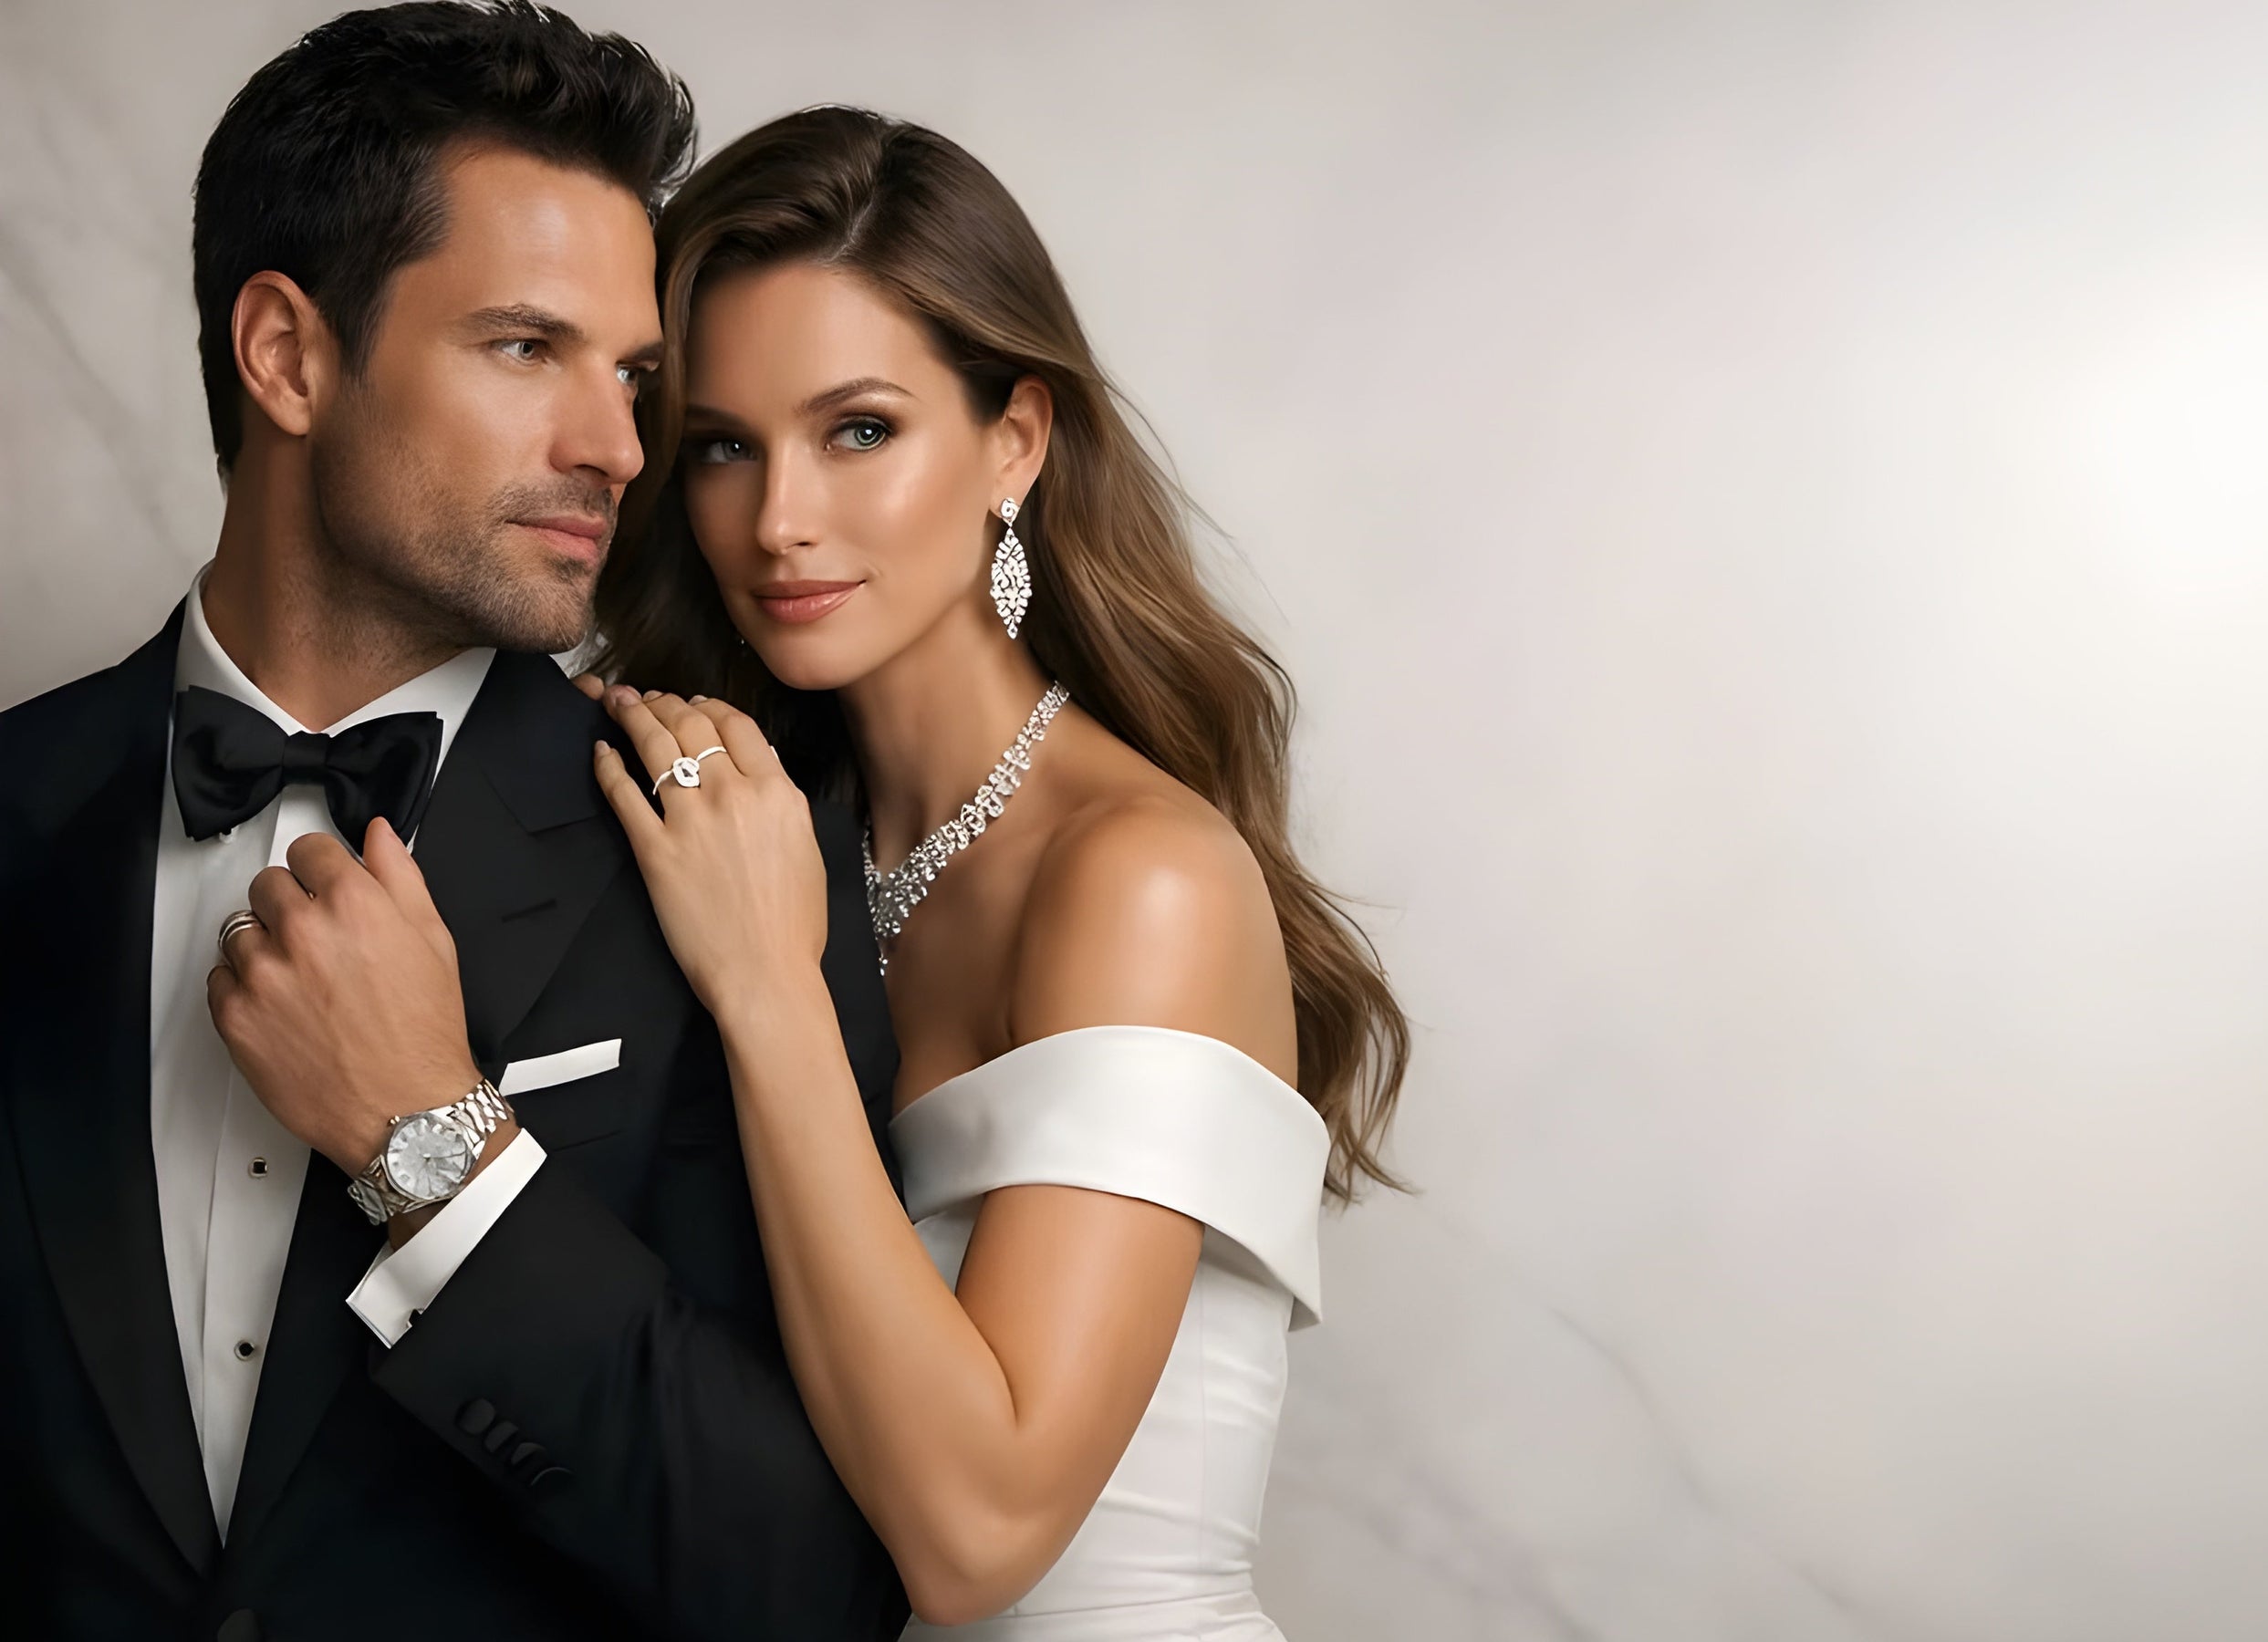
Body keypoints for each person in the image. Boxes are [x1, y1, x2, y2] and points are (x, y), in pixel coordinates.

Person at [0, 7, 910, 1637]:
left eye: (632, 376)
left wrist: (441, 1150)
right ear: (286, 354)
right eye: (523, 349)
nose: (619, 447)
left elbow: (810, 1585)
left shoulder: (722, 849)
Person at [573, 106, 1412, 1637]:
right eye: (722, 449)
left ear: (1014, 441)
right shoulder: (768, 834)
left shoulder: (1139, 878)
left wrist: (769, 992)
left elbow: (978, 1535)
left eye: (860, 430)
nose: (780, 521)